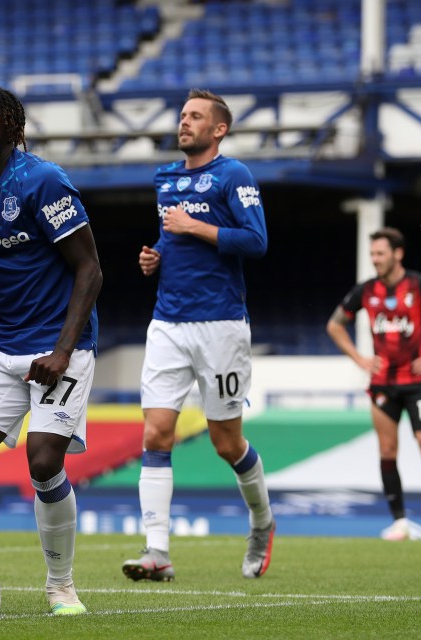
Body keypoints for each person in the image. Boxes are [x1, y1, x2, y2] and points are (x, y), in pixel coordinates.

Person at [0, 86, 102, 617]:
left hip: (60, 346)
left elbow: (90, 270)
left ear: (10, 130)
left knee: (42, 461)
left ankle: (61, 587)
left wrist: (63, 350)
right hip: (1, 345)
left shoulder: (43, 181)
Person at [121, 89, 273, 582]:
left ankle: (262, 521)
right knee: (155, 432)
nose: (184, 123)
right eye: (183, 115)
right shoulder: (165, 178)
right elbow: (171, 238)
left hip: (221, 325)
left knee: (226, 443)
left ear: (219, 129)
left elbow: (256, 241)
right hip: (167, 322)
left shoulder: (234, 175)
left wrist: (195, 226)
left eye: (195, 117)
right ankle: (157, 552)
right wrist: (157, 257)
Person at [326, 227, 421, 541]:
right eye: (372, 254)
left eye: (380, 253)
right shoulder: (365, 291)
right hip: (382, 384)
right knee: (387, 449)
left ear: (397, 254)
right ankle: (399, 522)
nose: (375, 259)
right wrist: (360, 359)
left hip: (419, 382)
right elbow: (335, 325)